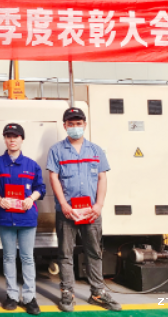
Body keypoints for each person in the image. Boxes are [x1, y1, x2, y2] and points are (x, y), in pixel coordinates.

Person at [46, 107, 121, 312]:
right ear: (65, 126)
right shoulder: (56, 150)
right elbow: (53, 177)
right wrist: (64, 204)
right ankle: (67, 293)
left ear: (85, 125)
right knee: (65, 254)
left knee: (94, 252)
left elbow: (102, 178)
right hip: (67, 212)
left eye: (78, 123)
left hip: (91, 212)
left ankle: (97, 292)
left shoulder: (96, 150)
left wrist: (98, 205)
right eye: (71, 124)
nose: (75, 127)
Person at [0, 123, 45, 315]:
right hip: (5, 218)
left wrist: (31, 198)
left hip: (27, 218)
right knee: (9, 257)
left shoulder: (31, 165)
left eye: (16, 136)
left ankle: (29, 297)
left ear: (22, 139)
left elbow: (40, 188)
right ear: (5, 139)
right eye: (8, 136)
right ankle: (11, 295)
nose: (12, 140)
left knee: (27, 258)